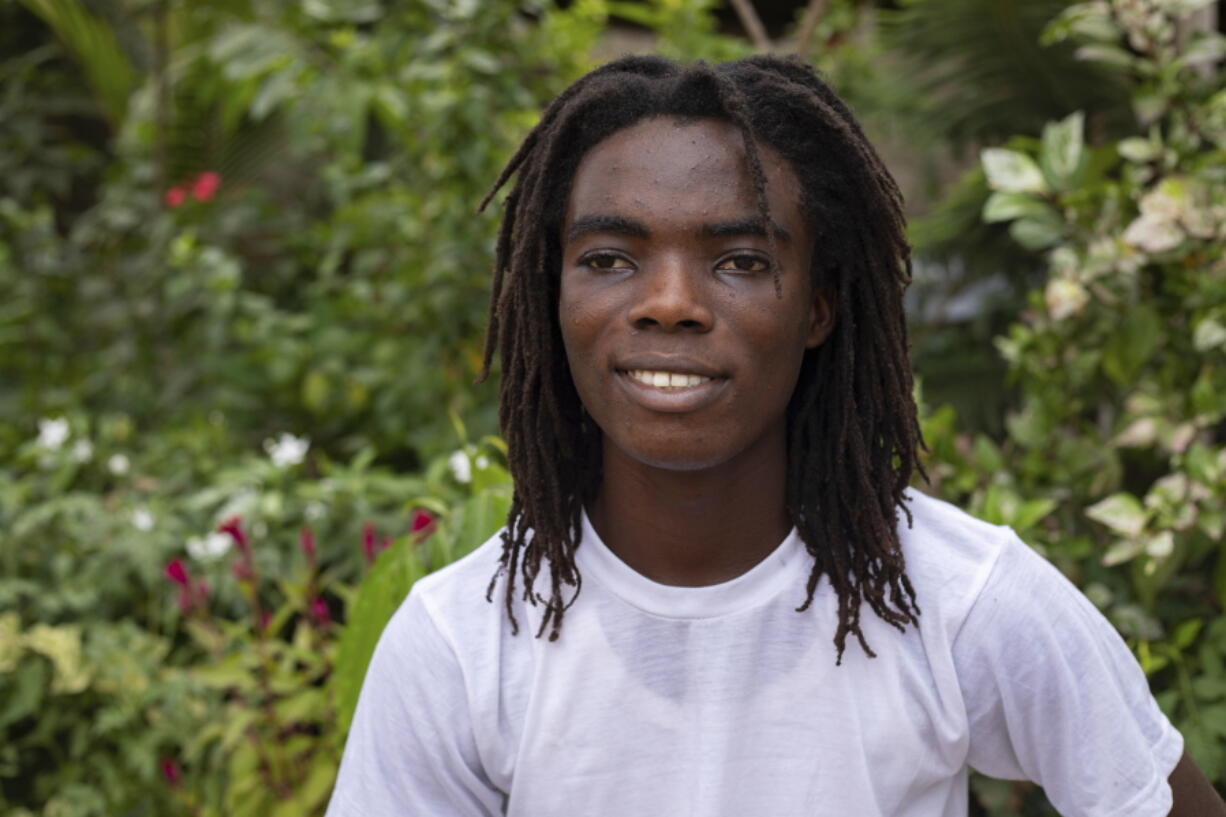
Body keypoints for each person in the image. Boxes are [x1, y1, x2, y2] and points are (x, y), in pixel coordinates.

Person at [326, 55, 1223, 816]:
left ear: (818, 306)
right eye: (609, 259)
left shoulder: (962, 600)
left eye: (740, 261)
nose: (669, 303)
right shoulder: (458, 643)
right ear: (550, 293)